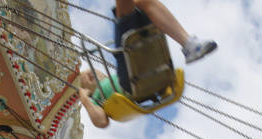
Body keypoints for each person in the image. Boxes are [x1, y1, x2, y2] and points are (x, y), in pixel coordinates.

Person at [78, 0, 217, 128]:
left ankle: (189, 44)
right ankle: (189, 45)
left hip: (147, 66)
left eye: (91, 71)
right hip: (131, 82)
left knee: (143, 2)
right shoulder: (98, 98)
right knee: (125, 7)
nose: (89, 74)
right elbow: (101, 122)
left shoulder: (111, 78)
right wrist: (85, 99)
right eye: (84, 79)